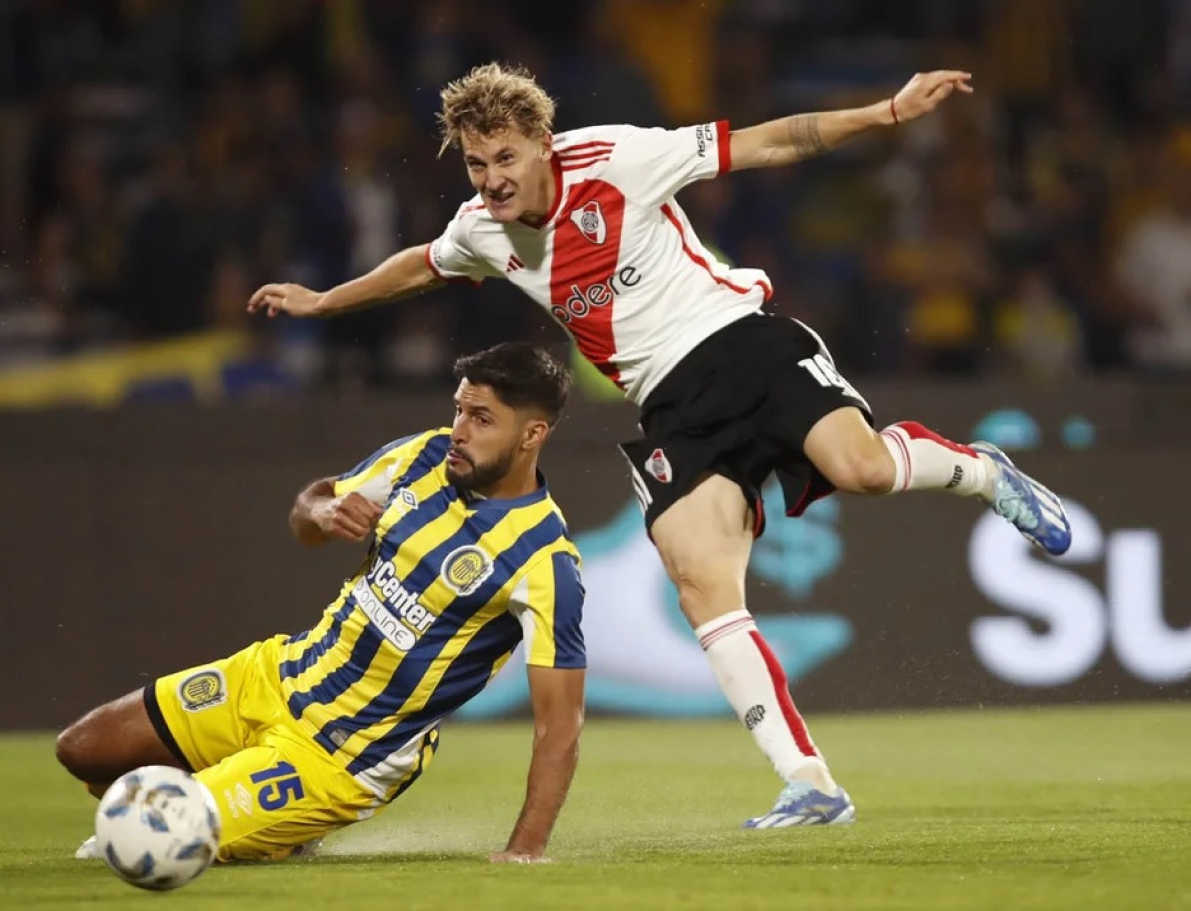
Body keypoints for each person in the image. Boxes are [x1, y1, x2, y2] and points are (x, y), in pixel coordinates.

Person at [246, 63, 1073, 828]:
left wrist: (887, 112)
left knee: (860, 468)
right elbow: (422, 266)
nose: (491, 178)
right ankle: (810, 783)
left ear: (542, 142)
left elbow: (769, 141)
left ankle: (980, 470)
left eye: (503, 156)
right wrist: (324, 302)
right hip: (672, 405)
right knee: (700, 582)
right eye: (473, 163)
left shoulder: (617, 158)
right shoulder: (482, 230)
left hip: (739, 342)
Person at [56, 342, 586, 863]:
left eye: (481, 419)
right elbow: (308, 508)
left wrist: (525, 850)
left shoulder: (544, 561)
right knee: (82, 749)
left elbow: (559, 724)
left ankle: (253, 812)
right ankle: (250, 811)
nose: (460, 431)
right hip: (279, 674)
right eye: (458, 409)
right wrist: (324, 513)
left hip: (345, 753)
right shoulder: (422, 456)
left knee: (154, 834)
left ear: (532, 434)